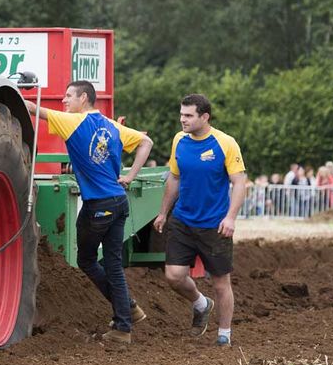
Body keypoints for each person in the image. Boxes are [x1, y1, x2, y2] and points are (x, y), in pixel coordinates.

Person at [40, 81, 154, 344]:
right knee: (113, 264)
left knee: (87, 260)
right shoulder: (113, 126)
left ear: (83, 98)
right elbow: (146, 142)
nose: (63, 101)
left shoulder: (73, 122)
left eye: (68, 96)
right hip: (118, 201)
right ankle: (124, 324)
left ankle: (127, 312)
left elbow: (34, 108)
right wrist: (130, 176)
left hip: (98, 205)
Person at [153, 94, 247, 348]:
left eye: (188, 115)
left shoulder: (225, 143)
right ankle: (200, 303)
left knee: (220, 283)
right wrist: (163, 212)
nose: (182, 119)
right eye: (181, 114)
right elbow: (174, 178)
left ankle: (224, 333)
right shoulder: (179, 140)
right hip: (182, 220)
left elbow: (240, 182)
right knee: (173, 276)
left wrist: (231, 218)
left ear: (204, 117)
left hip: (215, 225)